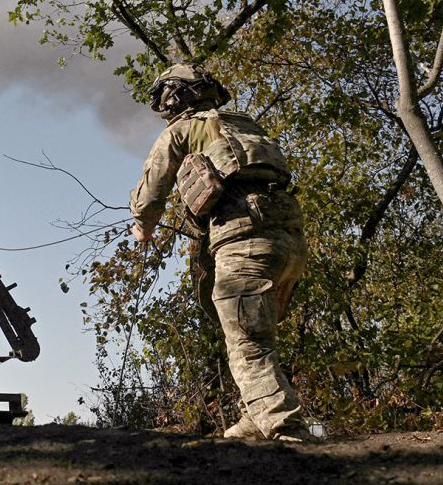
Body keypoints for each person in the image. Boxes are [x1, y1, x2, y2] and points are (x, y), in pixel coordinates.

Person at [129, 64, 314, 442]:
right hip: (289, 238)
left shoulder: (181, 131)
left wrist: (142, 227)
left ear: (172, 97)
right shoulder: (245, 124)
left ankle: (284, 426)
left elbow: (150, 194)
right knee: (257, 331)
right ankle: (253, 417)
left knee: (248, 340)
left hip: (243, 239)